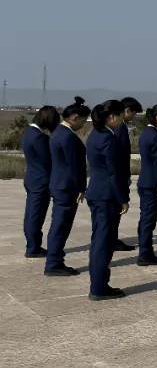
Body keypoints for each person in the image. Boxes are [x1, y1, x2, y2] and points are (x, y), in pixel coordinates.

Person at [85, 100, 129, 300]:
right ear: (112, 117)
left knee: (99, 240)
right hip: (106, 195)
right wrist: (123, 198)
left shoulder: (95, 135)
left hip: (96, 192)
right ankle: (99, 287)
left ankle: (99, 283)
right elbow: (114, 173)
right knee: (104, 242)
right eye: (121, 115)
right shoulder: (109, 140)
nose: (122, 119)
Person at [44, 97, 90, 277]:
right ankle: (54, 262)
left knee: (59, 224)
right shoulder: (68, 136)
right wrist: (81, 187)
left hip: (59, 184)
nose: (83, 125)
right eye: (83, 121)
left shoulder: (58, 133)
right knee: (61, 225)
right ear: (74, 117)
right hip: (66, 186)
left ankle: (55, 260)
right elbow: (74, 165)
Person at [22, 105, 59, 258]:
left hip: (32, 177)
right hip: (41, 180)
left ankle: (33, 244)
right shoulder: (40, 138)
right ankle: (33, 247)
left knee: (31, 213)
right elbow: (48, 161)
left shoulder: (29, 133)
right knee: (35, 216)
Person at [135, 104, 157, 266]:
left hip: (144, 180)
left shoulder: (145, 134)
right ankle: (145, 253)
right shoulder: (155, 136)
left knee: (145, 218)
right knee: (149, 219)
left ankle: (145, 250)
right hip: (152, 183)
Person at [112, 96, 143, 251]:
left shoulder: (114, 127)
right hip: (118, 175)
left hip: (118, 174)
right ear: (127, 111)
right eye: (134, 113)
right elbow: (121, 154)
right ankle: (112, 239)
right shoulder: (120, 128)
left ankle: (113, 238)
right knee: (115, 208)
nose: (134, 117)